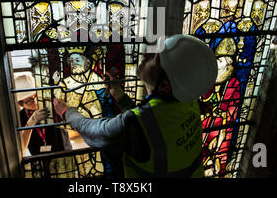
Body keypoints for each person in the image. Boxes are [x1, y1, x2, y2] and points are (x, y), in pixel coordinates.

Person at [53, 34, 218, 178]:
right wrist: (119, 95)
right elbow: (151, 121)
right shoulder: (187, 101)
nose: (147, 53)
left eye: (156, 58)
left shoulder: (136, 122)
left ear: (165, 86)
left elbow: (94, 131)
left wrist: (67, 111)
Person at [15, 74, 71, 156]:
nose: (35, 101)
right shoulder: (20, 117)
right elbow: (21, 149)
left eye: (36, 96)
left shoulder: (52, 106)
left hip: (63, 153)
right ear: (21, 103)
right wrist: (31, 122)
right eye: (30, 100)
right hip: (38, 158)